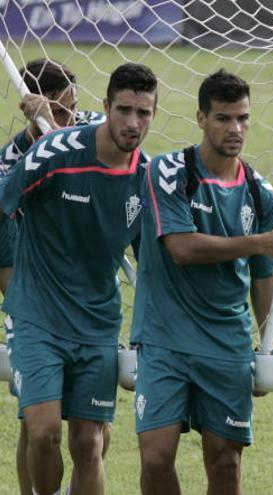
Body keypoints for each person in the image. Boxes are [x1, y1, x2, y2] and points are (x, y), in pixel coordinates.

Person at [131, 69, 273, 494]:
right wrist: (260, 241)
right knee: (155, 456)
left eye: (242, 118)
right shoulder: (169, 172)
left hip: (226, 344)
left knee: (225, 463)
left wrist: (268, 342)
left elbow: (263, 277)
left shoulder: (260, 193)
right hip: (164, 339)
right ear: (201, 117)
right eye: (224, 118)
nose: (235, 128)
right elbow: (183, 249)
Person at [0, 62, 156, 495]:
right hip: (38, 318)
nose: (133, 122)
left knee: (89, 443)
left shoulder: (147, 177)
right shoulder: (52, 152)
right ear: (107, 107)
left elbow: (153, 268)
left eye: (143, 113)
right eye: (123, 110)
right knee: (42, 431)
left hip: (97, 323)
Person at [0, 57, 109, 495]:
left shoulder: (94, 127)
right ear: (30, 105)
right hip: (35, 305)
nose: (70, 120)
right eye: (57, 112)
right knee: (38, 427)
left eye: (73, 108)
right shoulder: (10, 164)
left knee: (95, 436)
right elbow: (5, 267)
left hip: (93, 305)